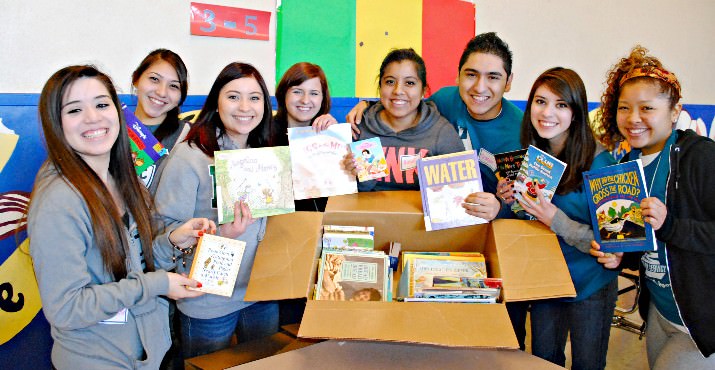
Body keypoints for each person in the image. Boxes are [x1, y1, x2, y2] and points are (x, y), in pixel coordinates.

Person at [27, 65, 215, 369]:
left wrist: (172, 240)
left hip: (143, 353)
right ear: (55, 121)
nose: (93, 118)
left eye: (102, 104)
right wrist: (158, 285)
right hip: (96, 358)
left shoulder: (123, 178)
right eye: (74, 110)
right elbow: (67, 308)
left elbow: (133, 264)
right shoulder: (59, 199)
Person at [590, 46, 715, 369]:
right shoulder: (628, 164)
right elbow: (643, 246)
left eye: (647, 108)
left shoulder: (700, 157)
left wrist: (670, 224)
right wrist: (620, 255)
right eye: (624, 108)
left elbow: (676, 231)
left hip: (700, 323)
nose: (633, 119)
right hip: (660, 311)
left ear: (675, 111)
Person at [154, 62, 280, 358]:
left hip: (262, 291)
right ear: (216, 103)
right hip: (207, 298)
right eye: (233, 96)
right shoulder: (191, 155)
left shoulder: (267, 153)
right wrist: (223, 233)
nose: (245, 107)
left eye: (255, 97)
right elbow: (164, 230)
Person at [507, 67, 618, 369]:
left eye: (561, 104)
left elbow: (614, 243)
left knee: (588, 364)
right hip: (547, 280)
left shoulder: (602, 163)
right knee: (544, 361)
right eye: (540, 102)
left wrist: (555, 218)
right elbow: (527, 223)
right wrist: (513, 200)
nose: (547, 113)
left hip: (591, 284)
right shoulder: (534, 157)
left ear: (577, 112)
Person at [348, 32, 523, 195]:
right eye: (471, 75)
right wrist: (368, 106)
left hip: (488, 212)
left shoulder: (521, 133)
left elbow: (522, 204)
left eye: (493, 77)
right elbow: (405, 105)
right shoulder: (444, 100)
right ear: (458, 75)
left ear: (508, 82)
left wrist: (499, 207)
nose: (480, 87)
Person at [342, 49, 472, 195]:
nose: (398, 91)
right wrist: (357, 176)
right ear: (380, 87)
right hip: (368, 216)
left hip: (419, 217)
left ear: (423, 90)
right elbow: (351, 195)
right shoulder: (359, 125)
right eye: (390, 82)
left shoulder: (442, 134)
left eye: (409, 83)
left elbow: (459, 196)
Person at [274, 62, 337, 212]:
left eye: (314, 93)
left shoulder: (331, 134)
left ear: (323, 98)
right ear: (284, 93)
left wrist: (337, 140)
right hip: (276, 226)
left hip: (322, 225)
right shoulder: (263, 133)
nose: (305, 100)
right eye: (297, 91)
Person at [130, 49, 191, 193]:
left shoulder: (189, 136)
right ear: (136, 79)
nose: (162, 92)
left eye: (173, 86)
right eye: (154, 79)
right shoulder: (111, 127)